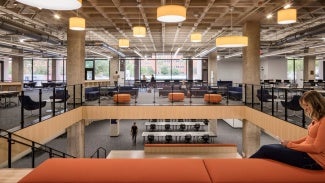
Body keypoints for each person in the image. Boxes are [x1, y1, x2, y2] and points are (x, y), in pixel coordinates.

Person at [250, 90, 325, 170]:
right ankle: (252, 167)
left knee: (266, 149)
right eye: (304, 106)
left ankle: (246, 167)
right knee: (269, 147)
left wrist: (291, 145)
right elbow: (309, 137)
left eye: (307, 105)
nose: (305, 109)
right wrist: (292, 142)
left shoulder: (323, 121)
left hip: (314, 160)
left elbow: (316, 148)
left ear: (315, 104)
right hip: (307, 153)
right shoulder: (317, 118)